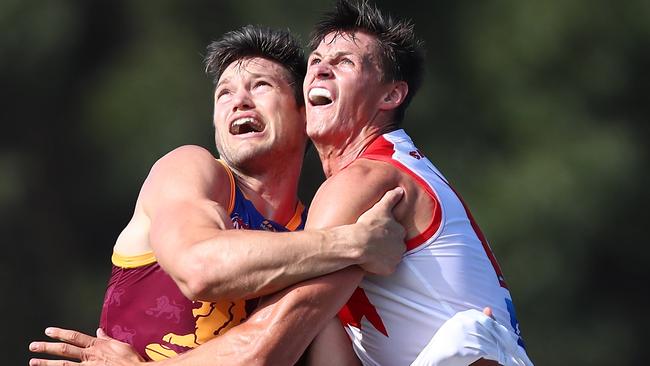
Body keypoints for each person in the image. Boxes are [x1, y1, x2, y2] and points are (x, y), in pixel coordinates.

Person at [29, 2, 533, 365]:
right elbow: (200, 269)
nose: (238, 101)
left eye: (261, 86)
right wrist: (350, 244)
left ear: (299, 109)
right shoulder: (195, 171)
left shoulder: (358, 190)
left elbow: (268, 352)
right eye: (224, 92)